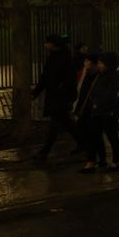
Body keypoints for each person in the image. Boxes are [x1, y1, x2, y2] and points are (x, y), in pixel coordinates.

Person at [32, 34, 78, 162]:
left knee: (55, 123)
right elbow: (46, 76)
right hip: (57, 95)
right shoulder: (55, 57)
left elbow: (66, 78)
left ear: (53, 44)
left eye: (47, 43)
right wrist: (36, 91)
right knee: (66, 122)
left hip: (60, 96)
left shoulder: (63, 58)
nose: (45, 45)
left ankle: (45, 151)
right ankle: (83, 142)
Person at [82, 52, 119, 173]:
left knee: (112, 136)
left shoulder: (113, 76)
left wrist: (98, 103)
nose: (99, 65)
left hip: (107, 111)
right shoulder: (100, 75)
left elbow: (110, 94)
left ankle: (116, 161)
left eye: (101, 63)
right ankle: (93, 161)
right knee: (94, 135)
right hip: (97, 111)